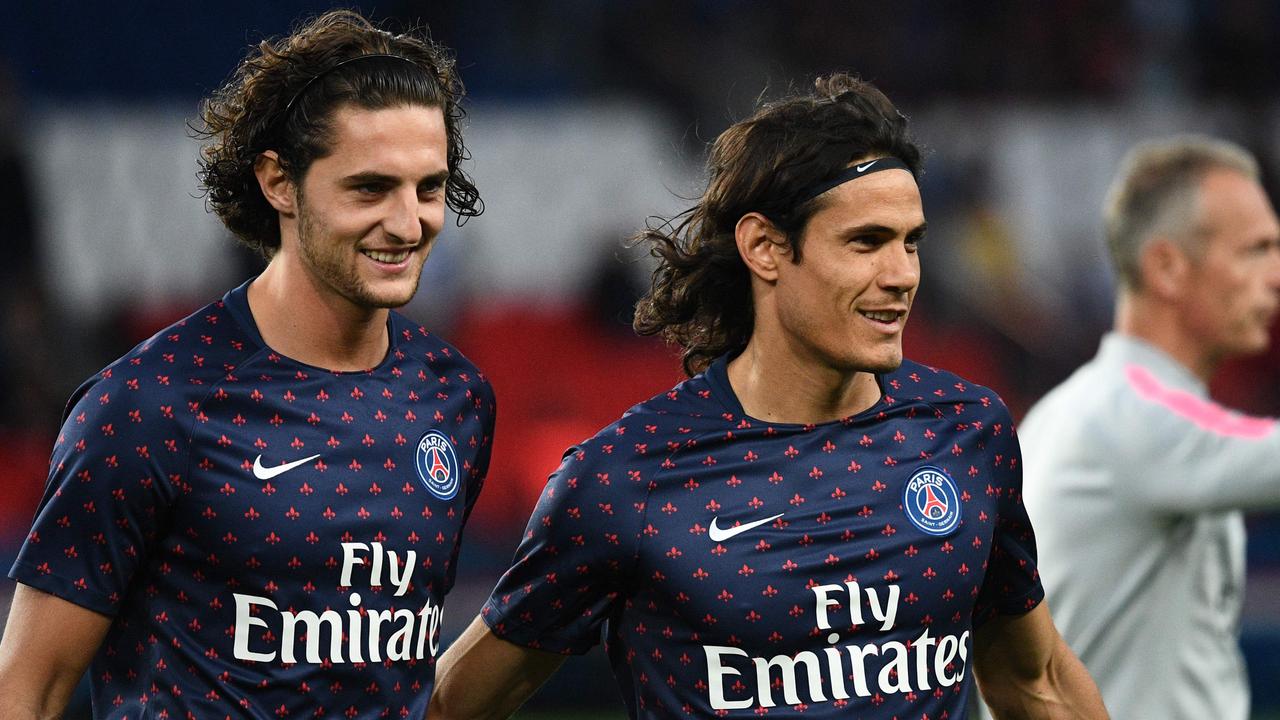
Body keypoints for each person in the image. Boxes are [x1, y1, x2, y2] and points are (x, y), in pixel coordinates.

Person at [430, 74, 1106, 719]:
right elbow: (454, 703)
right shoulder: (625, 481)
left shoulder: (966, 435)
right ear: (765, 247)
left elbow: (1034, 681)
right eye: (865, 242)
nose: (902, 275)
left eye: (910, 243)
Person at [0, 10, 495, 719]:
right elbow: (28, 690)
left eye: (428, 188)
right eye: (369, 188)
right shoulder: (147, 406)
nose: (408, 222)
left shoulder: (457, 399)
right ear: (279, 182)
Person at [1016, 136, 1280, 720]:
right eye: (1256, 251)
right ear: (1166, 267)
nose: (1277, 277)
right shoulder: (1130, 416)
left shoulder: (1070, 412)